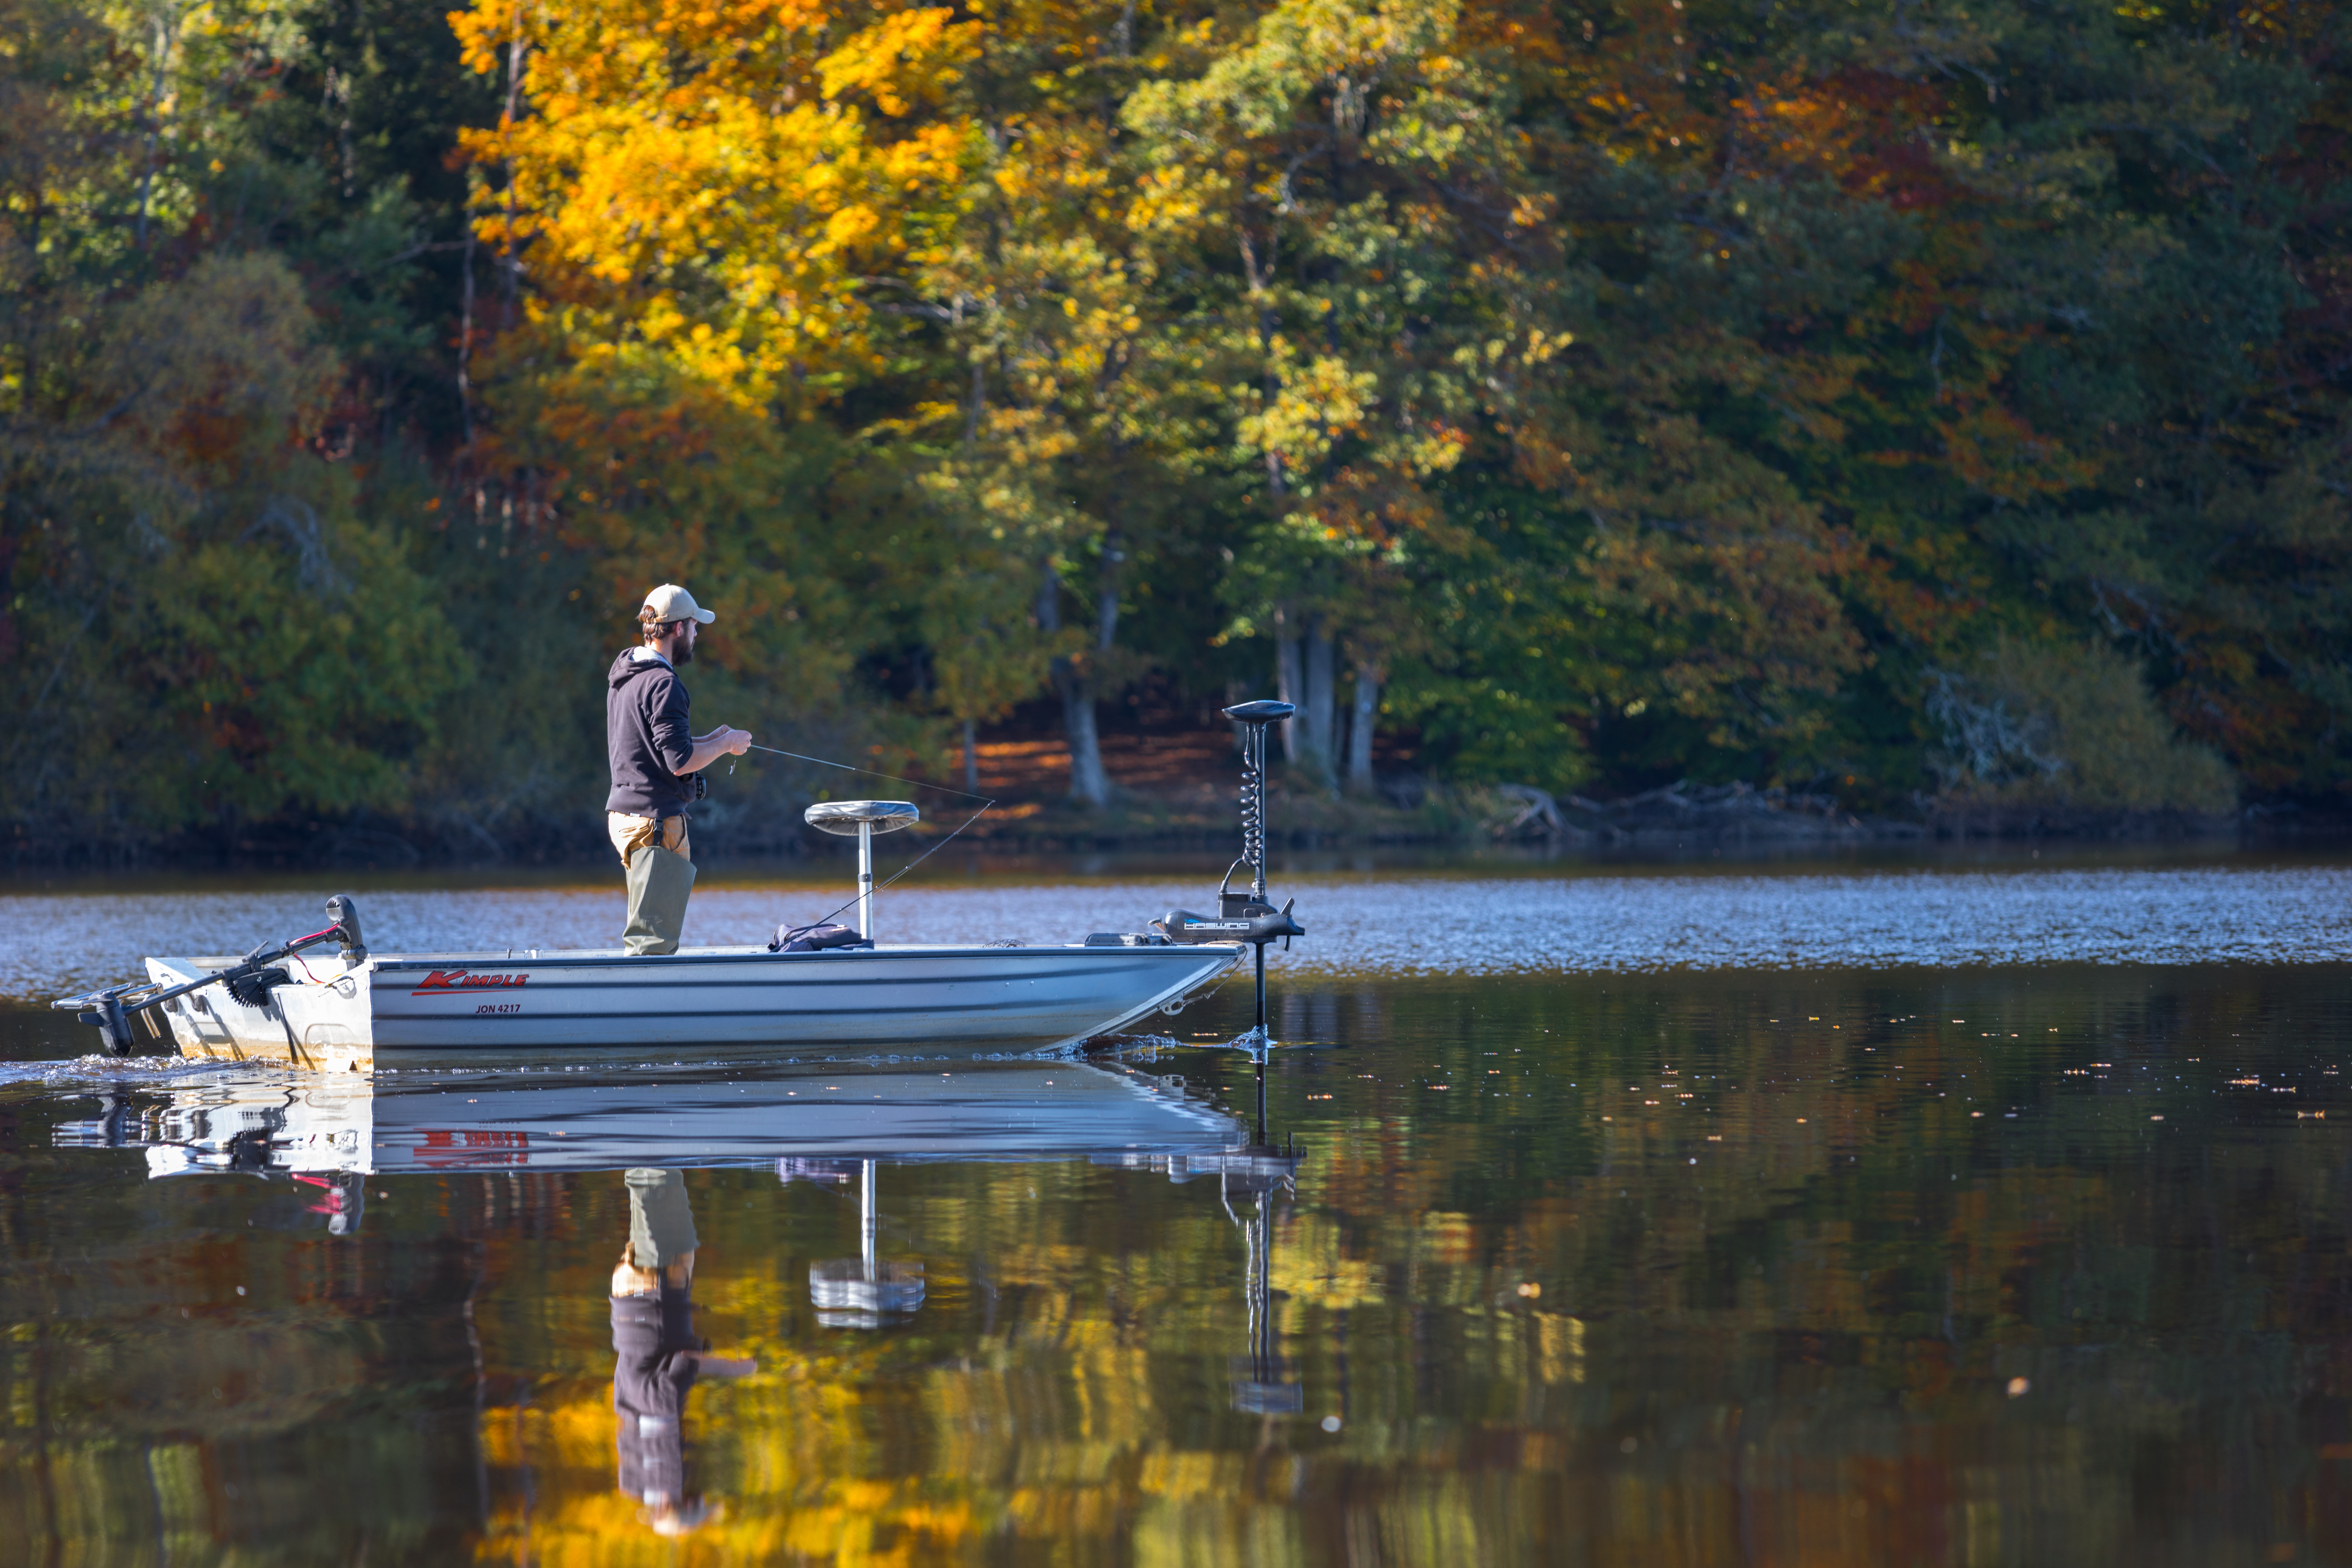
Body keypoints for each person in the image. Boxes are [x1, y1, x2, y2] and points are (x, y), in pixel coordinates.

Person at [609, 1168, 754, 1537]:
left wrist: (733, 1368)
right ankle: (659, 1157)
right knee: (665, 1206)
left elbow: (683, 1363)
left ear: (686, 1499)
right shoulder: (632, 1416)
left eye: (698, 1496)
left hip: (653, 1295)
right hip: (640, 1296)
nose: (700, 1487)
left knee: (650, 1190)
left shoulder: (662, 1416)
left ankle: (647, 1152)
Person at [607, 584, 751, 954]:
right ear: (677, 628)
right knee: (653, 944)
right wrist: (728, 745)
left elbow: (657, 748)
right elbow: (680, 762)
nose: (697, 633)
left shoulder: (627, 675)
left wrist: (713, 739)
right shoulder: (665, 684)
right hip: (656, 824)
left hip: (626, 818)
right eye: (694, 625)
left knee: (646, 935)